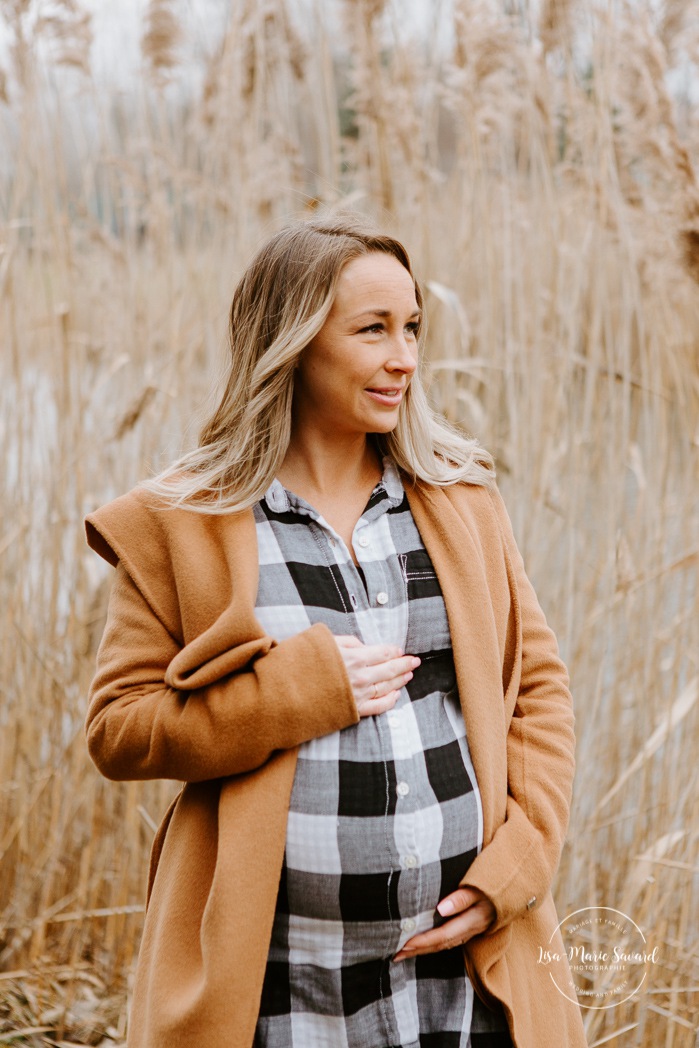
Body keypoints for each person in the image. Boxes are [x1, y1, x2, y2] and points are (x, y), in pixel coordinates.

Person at [84, 214, 587, 1048]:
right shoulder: (186, 522)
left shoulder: (458, 499)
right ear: (292, 342)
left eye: (413, 327)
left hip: (460, 972)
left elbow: (534, 688)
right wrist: (291, 695)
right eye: (373, 330)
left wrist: (519, 864)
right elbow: (119, 730)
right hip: (278, 982)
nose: (406, 359)